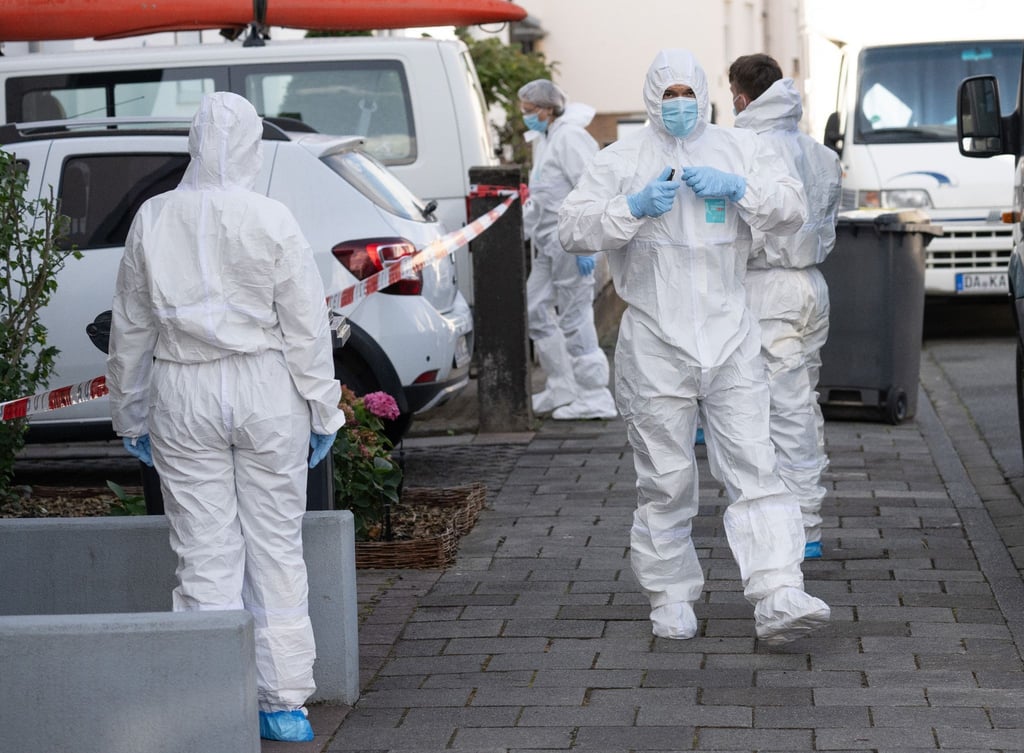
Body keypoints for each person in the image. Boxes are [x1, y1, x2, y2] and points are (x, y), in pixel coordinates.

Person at [557, 49, 830, 645]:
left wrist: (740, 190)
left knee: (757, 464)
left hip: (731, 332)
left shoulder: (739, 149)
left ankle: (779, 589)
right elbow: (570, 227)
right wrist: (628, 207)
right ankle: (670, 592)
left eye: (688, 91)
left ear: (704, 92)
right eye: (669, 92)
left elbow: (792, 208)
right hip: (655, 338)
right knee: (666, 476)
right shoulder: (622, 158)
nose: (679, 102)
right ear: (653, 95)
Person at [107, 92, 345, 743]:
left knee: (203, 547)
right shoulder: (271, 217)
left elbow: (131, 326)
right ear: (250, 147)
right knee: (275, 546)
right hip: (267, 388)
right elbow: (304, 326)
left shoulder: (154, 216)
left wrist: (129, 414)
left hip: (182, 387)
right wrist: (322, 408)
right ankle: (283, 701)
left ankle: (210, 695)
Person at [730, 54, 842, 561]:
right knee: (804, 404)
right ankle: (807, 519)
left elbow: (741, 231)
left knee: (782, 412)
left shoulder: (748, 149)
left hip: (766, 289)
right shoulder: (820, 153)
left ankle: (799, 528)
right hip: (811, 287)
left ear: (739, 96)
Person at [518, 79, 617, 420]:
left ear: (547, 109)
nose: (525, 117)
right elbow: (543, 196)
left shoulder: (570, 137)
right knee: (535, 309)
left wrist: (589, 244)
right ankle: (562, 385)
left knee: (575, 316)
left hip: (572, 244)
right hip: (549, 244)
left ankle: (594, 395)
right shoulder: (546, 139)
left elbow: (593, 187)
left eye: (529, 111)